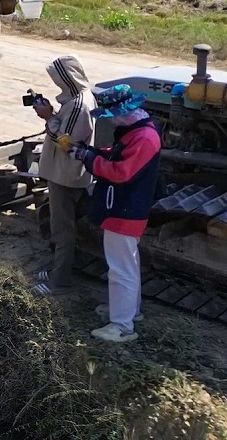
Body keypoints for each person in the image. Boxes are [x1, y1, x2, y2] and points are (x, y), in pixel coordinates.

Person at [69, 84, 162, 343]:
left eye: (113, 116)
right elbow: (117, 155)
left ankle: (121, 327)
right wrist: (92, 153)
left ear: (124, 112)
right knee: (127, 265)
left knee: (121, 269)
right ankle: (129, 312)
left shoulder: (144, 138)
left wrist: (88, 159)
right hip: (126, 206)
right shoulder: (138, 130)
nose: (113, 121)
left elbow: (121, 173)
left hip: (125, 209)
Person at [29, 56, 96, 297]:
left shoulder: (80, 104)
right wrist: (54, 114)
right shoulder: (78, 101)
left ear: (68, 78)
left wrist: (48, 118)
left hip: (66, 176)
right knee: (63, 226)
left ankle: (60, 282)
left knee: (62, 229)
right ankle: (59, 269)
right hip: (66, 174)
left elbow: (67, 143)